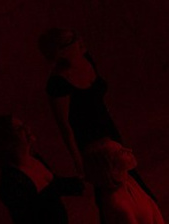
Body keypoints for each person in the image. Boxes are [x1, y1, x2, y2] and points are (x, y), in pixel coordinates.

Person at [39, 29, 126, 176]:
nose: (80, 41)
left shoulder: (86, 59)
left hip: (109, 131)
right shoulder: (58, 84)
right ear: (60, 52)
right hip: (92, 144)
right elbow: (65, 127)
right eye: (72, 41)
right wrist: (78, 161)